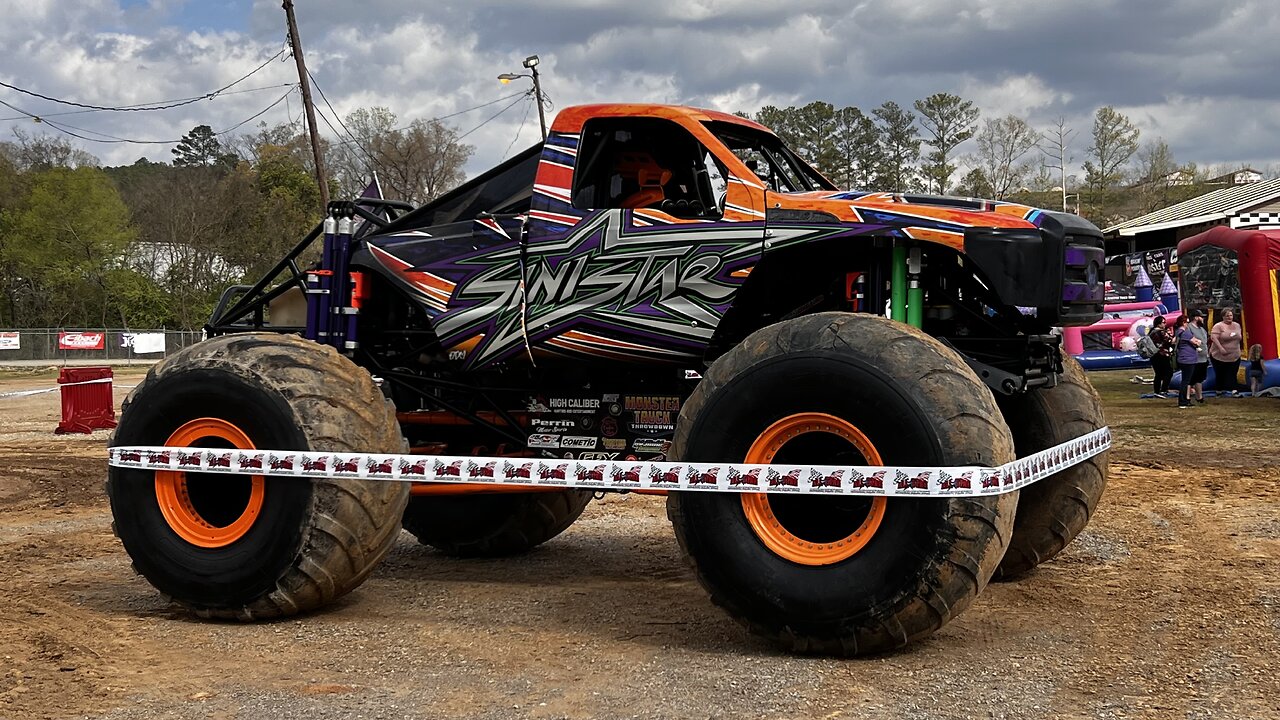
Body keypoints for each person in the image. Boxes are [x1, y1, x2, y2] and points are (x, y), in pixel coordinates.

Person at [1210, 308, 1244, 395]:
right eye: (1227, 315)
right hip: (1219, 355)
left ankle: (1234, 390)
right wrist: (1221, 348)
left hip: (1235, 355)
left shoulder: (1237, 325)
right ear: (1223, 317)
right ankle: (1219, 390)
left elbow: (1239, 337)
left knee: (1233, 373)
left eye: (1231, 315)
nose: (1229, 317)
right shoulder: (1218, 326)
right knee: (1220, 373)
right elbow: (1214, 338)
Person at [1174, 314, 1201, 408]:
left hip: (1182, 358)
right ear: (1183, 323)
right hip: (1188, 359)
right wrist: (1198, 342)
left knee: (1185, 380)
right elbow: (1197, 342)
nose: (1188, 324)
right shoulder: (1185, 333)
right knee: (1186, 381)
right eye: (1187, 322)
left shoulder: (1178, 332)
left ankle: (1184, 400)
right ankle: (1183, 401)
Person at [1148, 315, 1174, 397]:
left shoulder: (1151, 331)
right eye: (1163, 322)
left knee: (1158, 374)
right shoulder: (1161, 332)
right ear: (1158, 324)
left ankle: (1157, 391)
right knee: (1168, 372)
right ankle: (1163, 390)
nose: (1165, 324)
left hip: (1154, 355)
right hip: (1162, 354)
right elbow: (1169, 341)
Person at [1189, 310, 1209, 403]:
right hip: (1193, 358)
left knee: (1199, 379)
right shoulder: (1189, 328)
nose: (1203, 319)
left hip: (1203, 358)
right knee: (1190, 379)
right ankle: (1187, 397)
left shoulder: (1202, 329)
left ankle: (1199, 397)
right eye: (1201, 317)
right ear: (1196, 317)